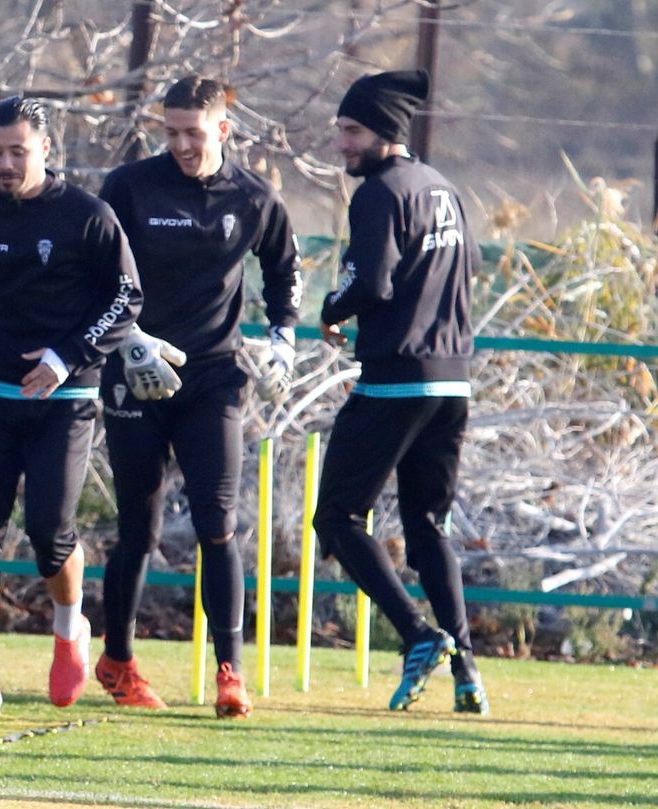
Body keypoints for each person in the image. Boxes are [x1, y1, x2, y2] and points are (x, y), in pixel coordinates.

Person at [94, 75, 302, 719]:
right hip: (136, 370)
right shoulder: (130, 188)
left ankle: (230, 672)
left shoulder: (254, 196)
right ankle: (118, 661)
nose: (182, 145)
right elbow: (95, 271)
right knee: (140, 528)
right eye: (172, 132)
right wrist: (127, 340)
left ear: (224, 130)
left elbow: (284, 269)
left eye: (194, 132)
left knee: (218, 522)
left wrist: (284, 339)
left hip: (213, 377)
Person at [0, 96, 143, 728]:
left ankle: (67, 626)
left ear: (45, 149)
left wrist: (66, 356)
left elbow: (127, 298)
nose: (3, 164)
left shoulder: (89, 217)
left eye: (16, 152)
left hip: (65, 397)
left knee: (51, 536)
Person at [313, 69, 488, 715]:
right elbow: (466, 271)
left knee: (336, 516)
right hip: (453, 380)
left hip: (398, 379)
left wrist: (331, 306)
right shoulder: (442, 187)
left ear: (385, 132)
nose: (343, 145)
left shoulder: (382, 192)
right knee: (427, 525)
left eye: (352, 132)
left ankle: (418, 634)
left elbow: (374, 281)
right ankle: (467, 672)